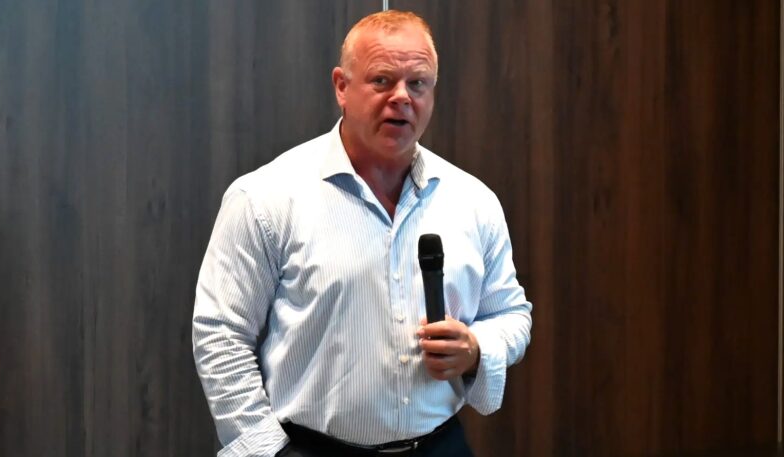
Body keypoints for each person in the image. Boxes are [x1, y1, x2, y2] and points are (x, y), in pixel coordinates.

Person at [192, 10, 532, 457]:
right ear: (341, 87)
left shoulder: (472, 201)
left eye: (418, 83)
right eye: (381, 80)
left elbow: (510, 313)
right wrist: (266, 450)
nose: (402, 97)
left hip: (440, 445)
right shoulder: (265, 198)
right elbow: (221, 334)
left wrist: (476, 348)